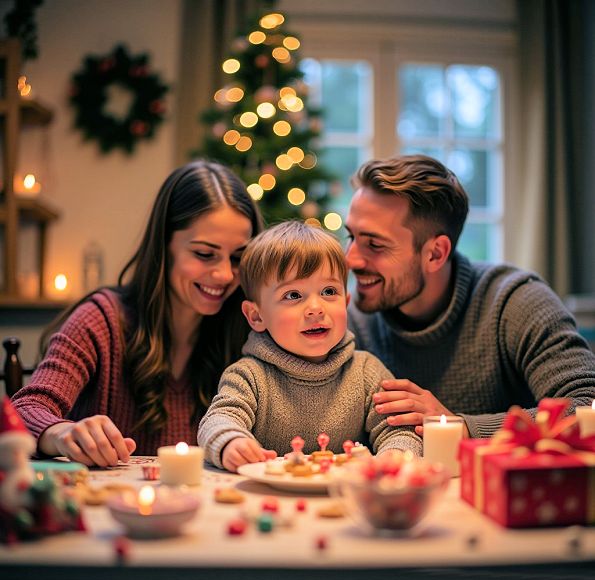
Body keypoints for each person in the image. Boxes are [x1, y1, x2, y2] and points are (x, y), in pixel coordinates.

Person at [11, 160, 263, 467]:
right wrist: (62, 432)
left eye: (238, 257)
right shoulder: (101, 321)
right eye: (204, 254)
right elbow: (24, 410)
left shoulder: (247, 330)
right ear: (164, 246)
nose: (224, 274)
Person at [345, 154, 595, 439]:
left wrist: (461, 428)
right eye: (350, 237)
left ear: (436, 254)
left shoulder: (515, 302)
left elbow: (586, 406)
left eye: (374, 245)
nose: (350, 260)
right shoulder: (355, 318)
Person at [197, 221, 421, 472]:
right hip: (272, 500)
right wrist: (230, 442)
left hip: (346, 500)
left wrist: (396, 453)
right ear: (256, 316)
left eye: (328, 291)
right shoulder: (248, 376)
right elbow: (218, 420)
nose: (316, 308)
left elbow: (398, 428)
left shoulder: (366, 371)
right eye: (293, 295)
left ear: (346, 303)